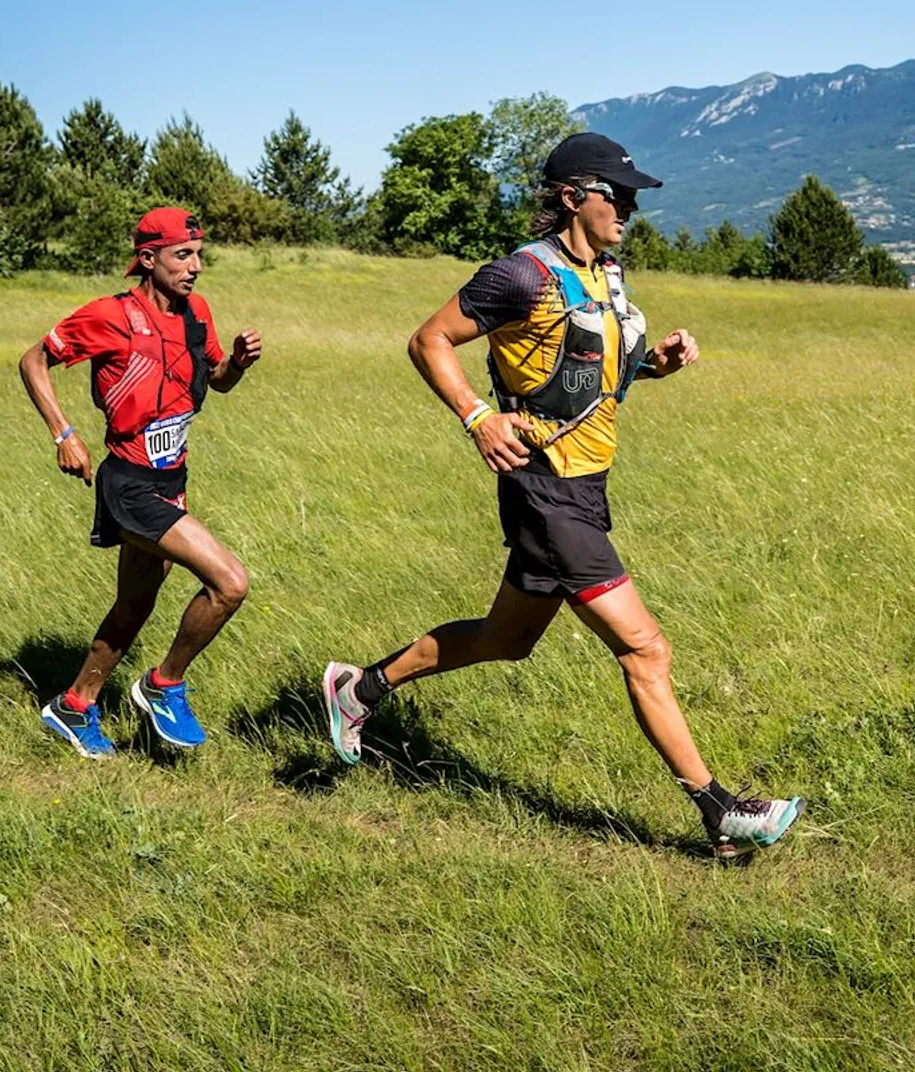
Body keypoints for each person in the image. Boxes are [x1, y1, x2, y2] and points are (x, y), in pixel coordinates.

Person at [319, 133, 802, 859]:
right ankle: (720, 811)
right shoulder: (519, 276)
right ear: (575, 196)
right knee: (646, 649)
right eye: (621, 193)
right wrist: (479, 418)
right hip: (542, 488)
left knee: (505, 640)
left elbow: (588, 379)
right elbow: (428, 341)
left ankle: (360, 689)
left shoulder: (606, 274)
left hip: (586, 486)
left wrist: (657, 365)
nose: (632, 207)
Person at [17, 207, 262, 758]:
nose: (196, 266)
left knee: (135, 603)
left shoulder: (196, 312)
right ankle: (164, 683)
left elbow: (216, 381)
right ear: (148, 260)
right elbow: (33, 360)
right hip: (129, 484)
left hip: (172, 475)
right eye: (183, 255)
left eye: (199, 255)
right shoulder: (109, 315)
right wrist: (64, 433)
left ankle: (75, 706)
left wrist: (240, 365)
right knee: (230, 583)